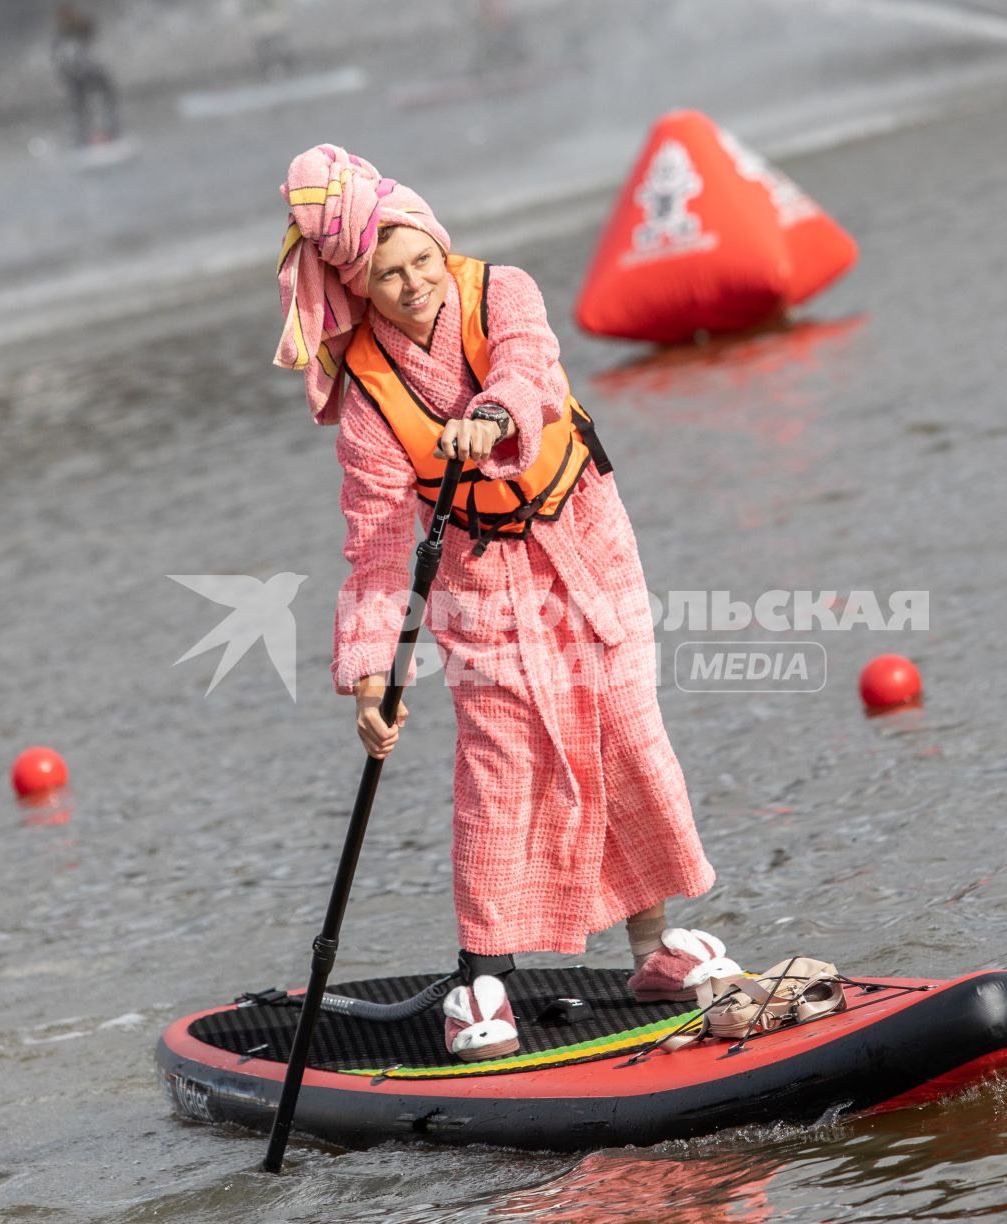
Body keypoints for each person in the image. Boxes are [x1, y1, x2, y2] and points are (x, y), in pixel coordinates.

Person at [273, 145, 738, 1062]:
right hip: (478, 583)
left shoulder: (504, 292)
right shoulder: (368, 394)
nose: (414, 288)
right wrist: (372, 674)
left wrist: (491, 416)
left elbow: (528, 368)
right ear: (357, 288)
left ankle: (656, 951)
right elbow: (373, 544)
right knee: (501, 761)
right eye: (386, 277)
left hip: (584, 547)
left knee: (621, 728)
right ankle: (483, 977)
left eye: (421, 265)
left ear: (441, 251)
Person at [52, 4, 121, 146]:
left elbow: (90, 32)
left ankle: (107, 133)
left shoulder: (79, 25)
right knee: (80, 106)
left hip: (86, 69)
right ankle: (82, 138)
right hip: (76, 73)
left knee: (100, 100)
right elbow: (59, 58)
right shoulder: (62, 35)